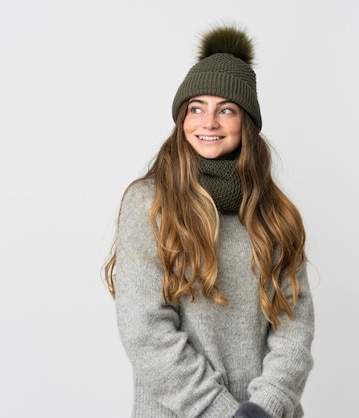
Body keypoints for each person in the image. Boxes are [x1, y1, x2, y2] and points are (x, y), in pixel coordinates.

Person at [103, 24, 314, 418]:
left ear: (246, 121)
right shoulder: (149, 203)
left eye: (226, 110)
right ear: (182, 116)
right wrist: (222, 412)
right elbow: (145, 331)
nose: (208, 122)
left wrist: (262, 408)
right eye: (196, 107)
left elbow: (294, 328)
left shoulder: (275, 213)